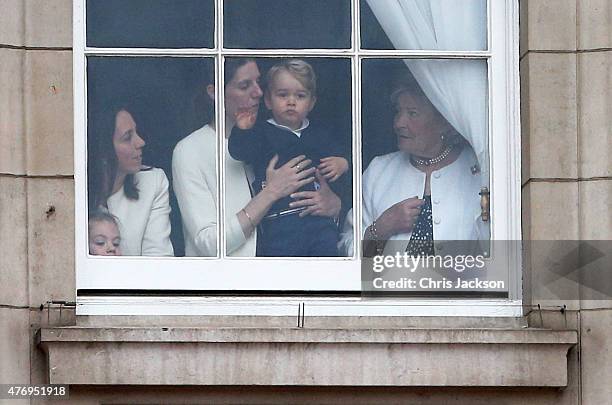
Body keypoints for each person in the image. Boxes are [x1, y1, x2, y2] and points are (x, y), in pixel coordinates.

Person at [173, 58, 342, 257]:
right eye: (245, 86)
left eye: (258, 83)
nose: (258, 93)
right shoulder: (190, 150)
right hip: (228, 283)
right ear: (215, 93)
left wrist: (334, 206)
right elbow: (210, 244)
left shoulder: (276, 133)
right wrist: (270, 193)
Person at [338, 74, 488, 256]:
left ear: (444, 122)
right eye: (398, 111)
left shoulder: (481, 168)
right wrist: (382, 227)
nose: (399, 123)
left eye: (412, 113)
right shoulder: (379, 171)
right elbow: (348, 250)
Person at [228, 59, 348, 256]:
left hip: (319, 220)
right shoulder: (261, 132)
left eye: (300, 96)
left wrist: (342, 162)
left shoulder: (320, 132)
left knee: (327, 268)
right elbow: (239, 151)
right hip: (280, 221)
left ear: (311, 102)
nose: (291, 101)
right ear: (268, 100)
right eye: (282, 95)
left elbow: (341, 155)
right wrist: (242, 129)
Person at [88, 106, 174, 256]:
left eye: (136, 132)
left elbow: (158, 260)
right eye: (127, 137)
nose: (141, 142)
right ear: (104, 150)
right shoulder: (78, 191)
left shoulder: (152, 182)